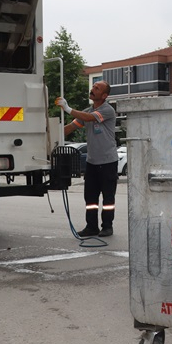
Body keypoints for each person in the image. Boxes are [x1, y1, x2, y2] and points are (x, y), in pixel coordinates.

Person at [56, 81, 118, 238]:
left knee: (108, 198)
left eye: (97, 88)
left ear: (104, 95)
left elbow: (89, 118)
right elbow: (71, 127)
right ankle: (91, 227)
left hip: (108, 162)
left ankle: (107, 226)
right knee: (90, 197)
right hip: (92, 162)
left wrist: (68, 109)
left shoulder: (107, 110)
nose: (92, 89)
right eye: (93, 87)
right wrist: (50, 134)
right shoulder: (88, 111)